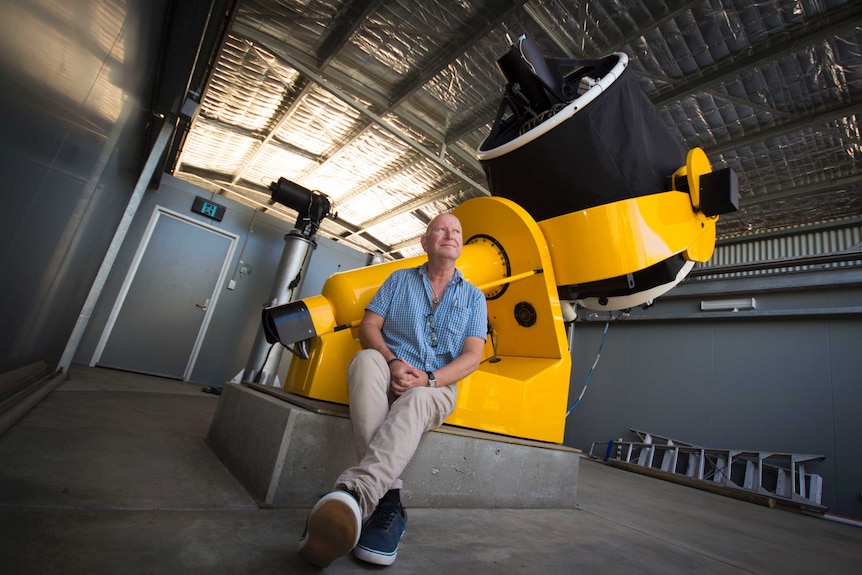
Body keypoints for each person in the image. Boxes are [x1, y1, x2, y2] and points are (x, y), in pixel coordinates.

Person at [298, 212, 488, 568]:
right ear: (425, 242)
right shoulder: (398, 279)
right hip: (389, 370)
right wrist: (391, 361)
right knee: (366, 359)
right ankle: (388, 503)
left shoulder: (475, 298)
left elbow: (473, 357)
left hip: (435, 385)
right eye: (441, 230)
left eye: (456, 231)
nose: (449, 235)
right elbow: (370, 326)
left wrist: (429, 379)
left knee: (417, 397)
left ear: (461, 245)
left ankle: (355, 495)